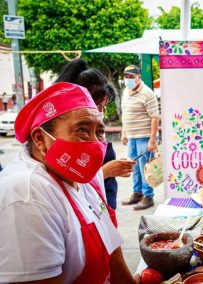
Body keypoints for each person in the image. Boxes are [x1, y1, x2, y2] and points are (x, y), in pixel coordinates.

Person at [0, 82, 136, 283]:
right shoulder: (26, 195)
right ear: (40, 139)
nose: (95, 142)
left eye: (99, 131)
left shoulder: (83, 177)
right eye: (82, 129)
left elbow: (113, 254)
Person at [55, 59, 134, 209]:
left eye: (103, 107)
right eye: (97, 106)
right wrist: (105, 172)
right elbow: (70, 185)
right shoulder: (62, 141)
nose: (100, 113)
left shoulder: (94, 130)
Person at [121, 65, 160, 210]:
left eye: (131, 76)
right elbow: (125, 112)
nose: (128, 79)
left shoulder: (147, 93)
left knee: (145, 168)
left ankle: (148, 196)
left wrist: (152, 140)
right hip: (131, 137)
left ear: (139, 77)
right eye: (126, 76)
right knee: (134, 167)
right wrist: (124, 132)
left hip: (144, 137)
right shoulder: (126, 91)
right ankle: (137, 193)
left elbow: (155, 118)